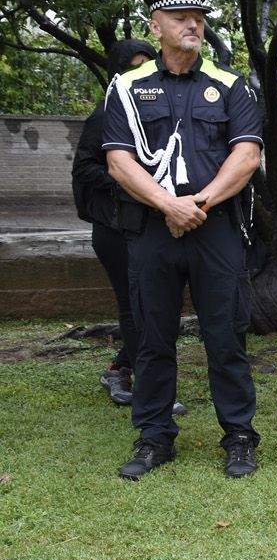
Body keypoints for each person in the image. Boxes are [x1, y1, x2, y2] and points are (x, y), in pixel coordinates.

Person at [101, 0, 263, 480]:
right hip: (152, 230)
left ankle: (238, 436)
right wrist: (167, 206)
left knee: (226, 336)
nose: (192, 24)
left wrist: (197, 203)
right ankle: (154, 438)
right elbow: (118, 161)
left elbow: (248, 153)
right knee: (152, 337)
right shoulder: (127, 87)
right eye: (179, 17)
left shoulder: (231, 85)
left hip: (213, 228)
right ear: (156, 26)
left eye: (198, 15)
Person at [72, 38, 186, 418]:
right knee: (135, 307)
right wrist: (129, 183)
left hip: (148, 226)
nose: (141, 75)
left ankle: (120, 369)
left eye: (147, 66)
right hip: (115, 228)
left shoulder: (155, 114)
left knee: (155, 306)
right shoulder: (106, 115)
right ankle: (152, 391)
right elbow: (85, 168)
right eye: (132, 67)